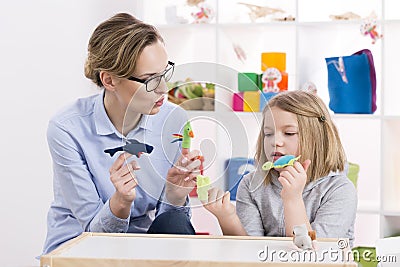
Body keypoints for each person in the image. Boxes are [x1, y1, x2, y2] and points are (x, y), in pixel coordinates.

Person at [42, 13, 202, 255]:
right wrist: (120, 202)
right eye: (150, 80)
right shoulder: (67, 129)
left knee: (176, 223)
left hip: (141, 249)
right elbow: (91, 234)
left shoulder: (173, 119)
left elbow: (172, 227)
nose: (163, 89)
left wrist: (175, 196)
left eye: (164, 73)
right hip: (79, 247)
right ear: (109, 80)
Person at [202, 90, 357, 247]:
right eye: (268, 134)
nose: (275, 141)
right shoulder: (252, 185)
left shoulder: (340, 190)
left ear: (316, 137)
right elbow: (249, 251)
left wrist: (293, 198)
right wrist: (227, 217)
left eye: (289, 133)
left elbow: (311, 253)